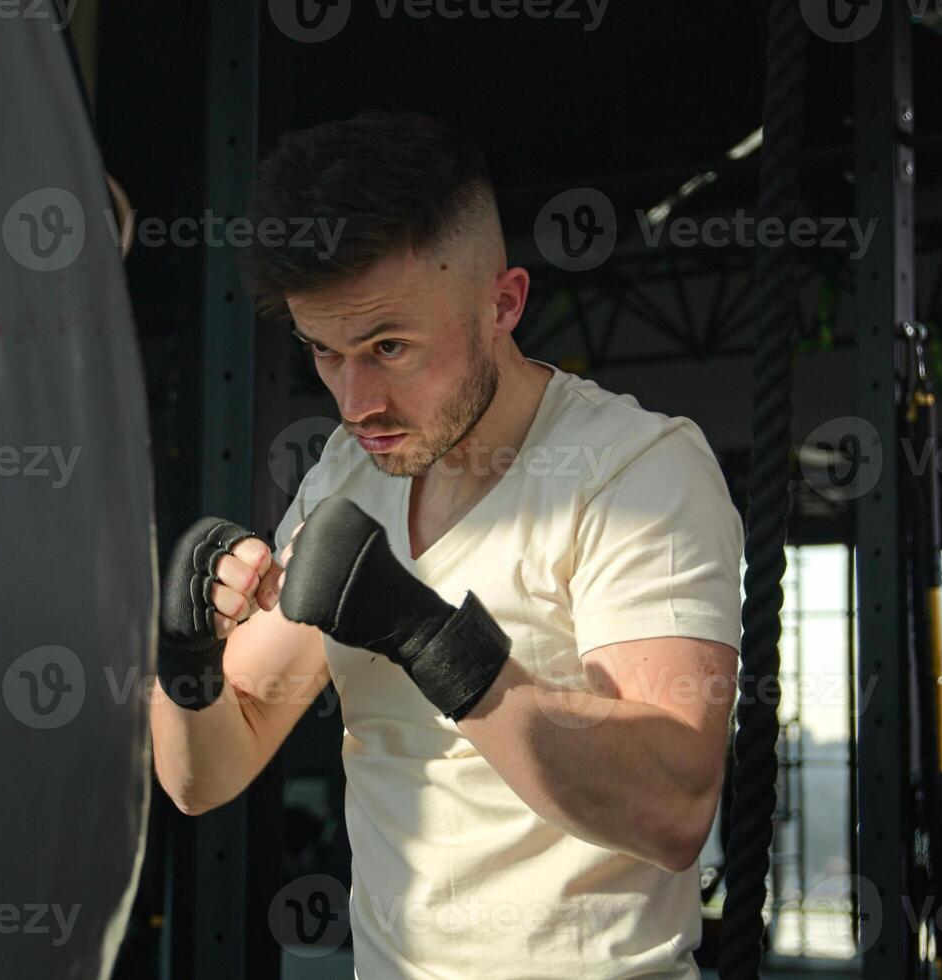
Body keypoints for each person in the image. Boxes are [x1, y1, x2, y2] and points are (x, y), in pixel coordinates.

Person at [150, 110, 743, 979]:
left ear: (503, 303)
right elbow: (207, 774)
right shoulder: (349, 476)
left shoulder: (634, 473)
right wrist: (185, 658)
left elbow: (673, 808)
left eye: (390, 347)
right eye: (326, 351)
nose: (356, 403)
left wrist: (432, 639)